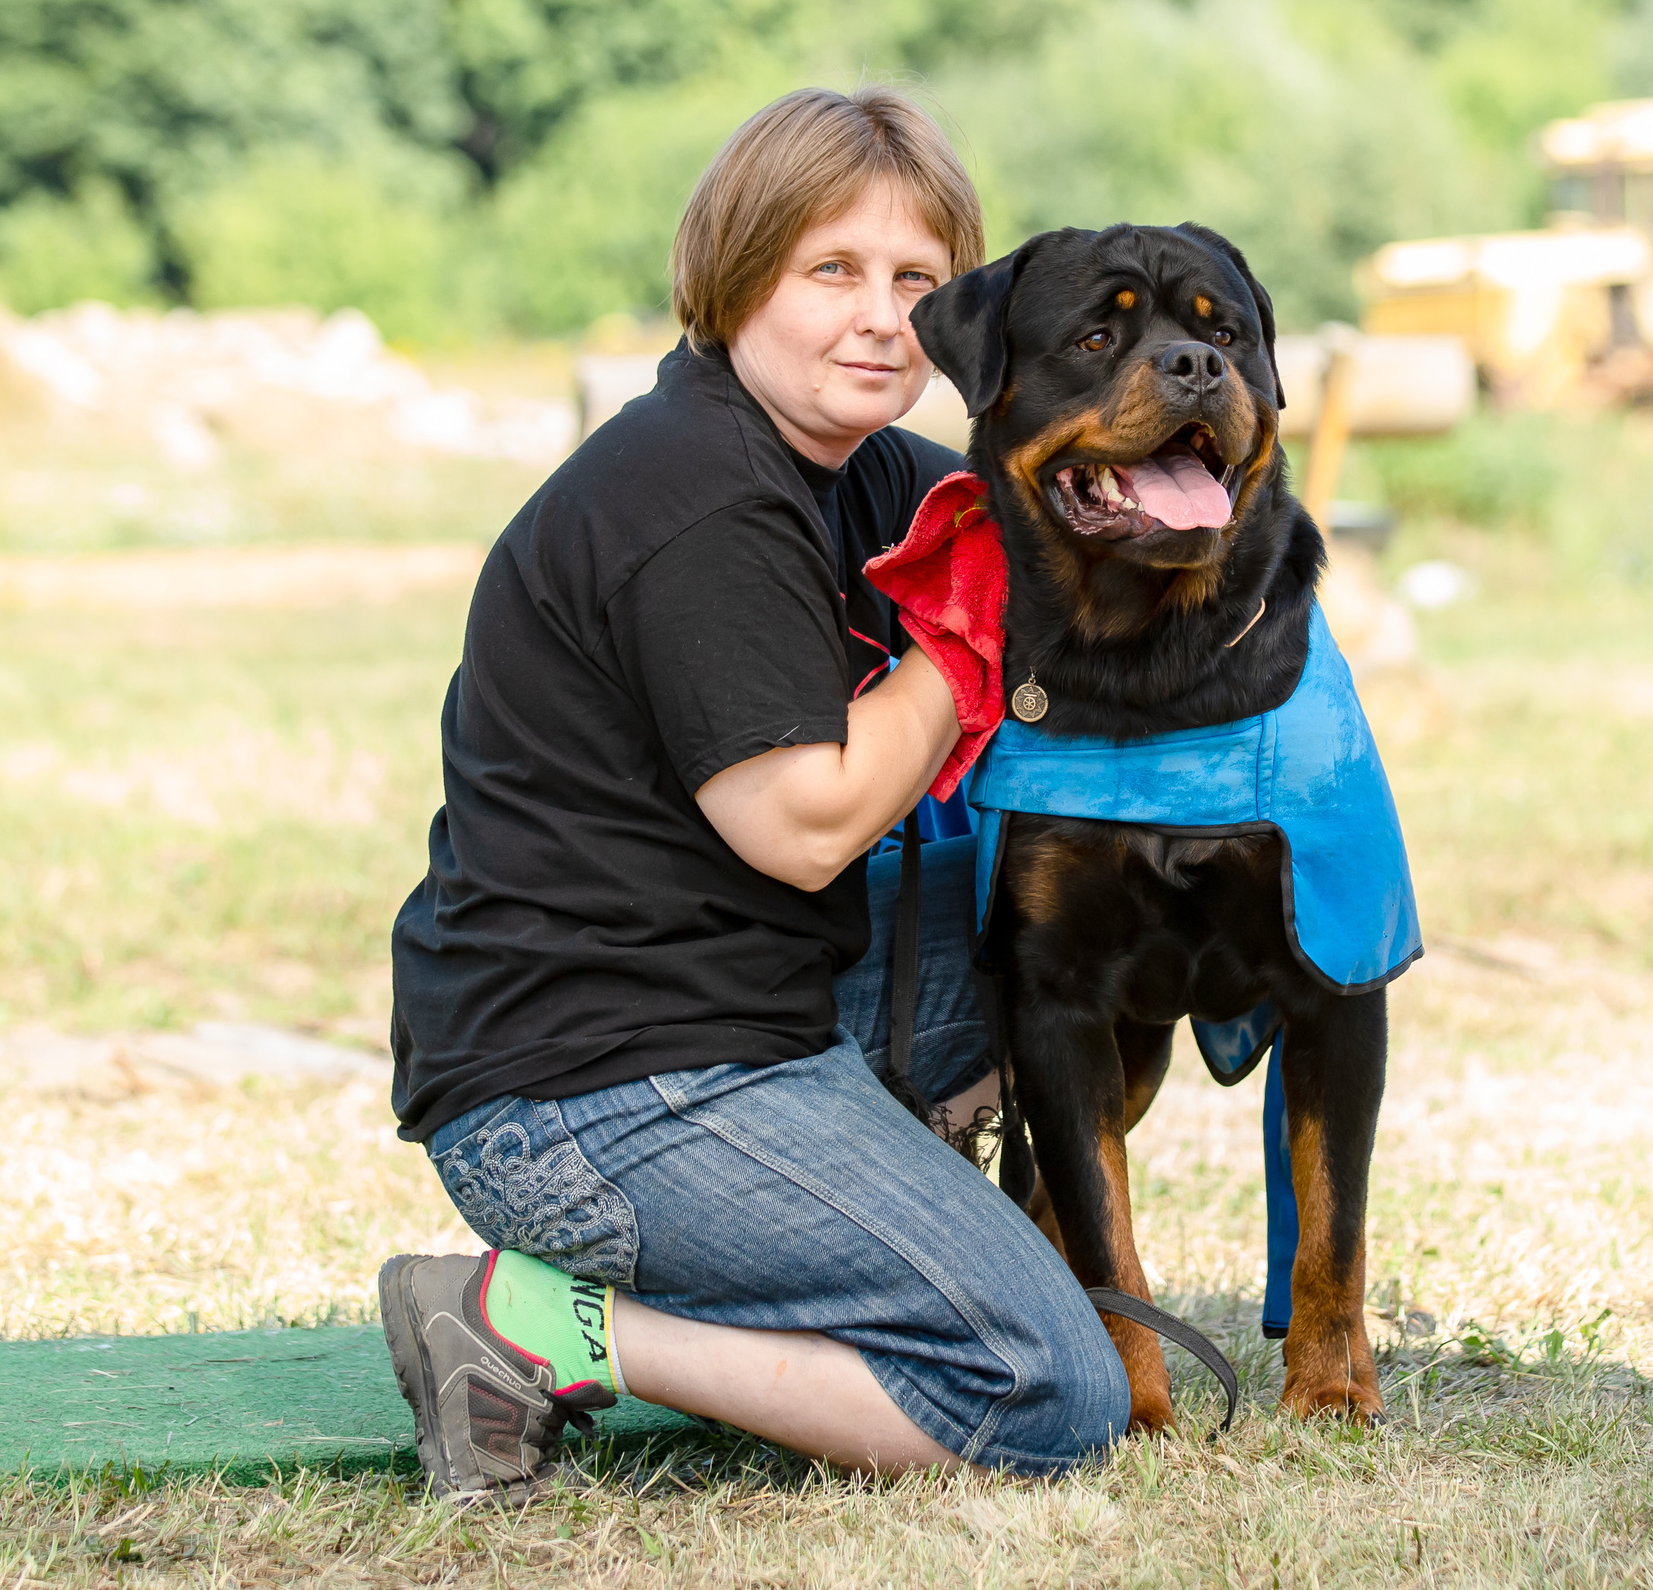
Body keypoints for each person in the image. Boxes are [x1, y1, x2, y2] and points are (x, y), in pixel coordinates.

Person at [377, 87, 1132, 1498]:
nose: (878, 318)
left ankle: (865, 1252)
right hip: (589, 1094)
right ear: (735, 278)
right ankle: (532, 1326)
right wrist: (966, 635)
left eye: (918, 282)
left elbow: (1042, 527)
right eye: (830, 271)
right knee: (1046, 1391)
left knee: (1097, 944)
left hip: (734, 1017)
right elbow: (803, 826)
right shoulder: (699, 494)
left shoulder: (858, 472)